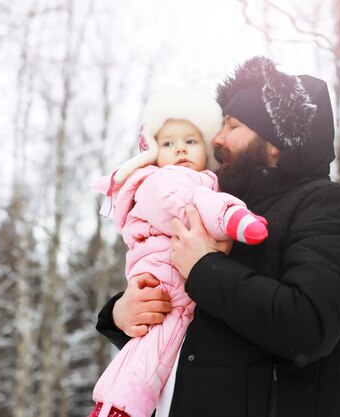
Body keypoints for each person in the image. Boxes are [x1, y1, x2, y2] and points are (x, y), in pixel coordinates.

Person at [96, 56, 340, 417]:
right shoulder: (221, 210)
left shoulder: (333, 207)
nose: (216, 138)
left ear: (276, 142)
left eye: (232, 126)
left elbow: (307, 328)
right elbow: (203, 340)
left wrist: (204, 267)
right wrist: (122, 314)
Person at [89, 88, 268, 417]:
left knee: (158, 352)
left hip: (175, 284)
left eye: (191, 140)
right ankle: (118, 408)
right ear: (154, 152)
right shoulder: (164, 180)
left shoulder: (204, 181)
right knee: (153, 351)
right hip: (167, 280)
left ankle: (119, 406)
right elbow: (187, 206)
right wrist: (232, 217)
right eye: (169, 143)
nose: (181, 149)